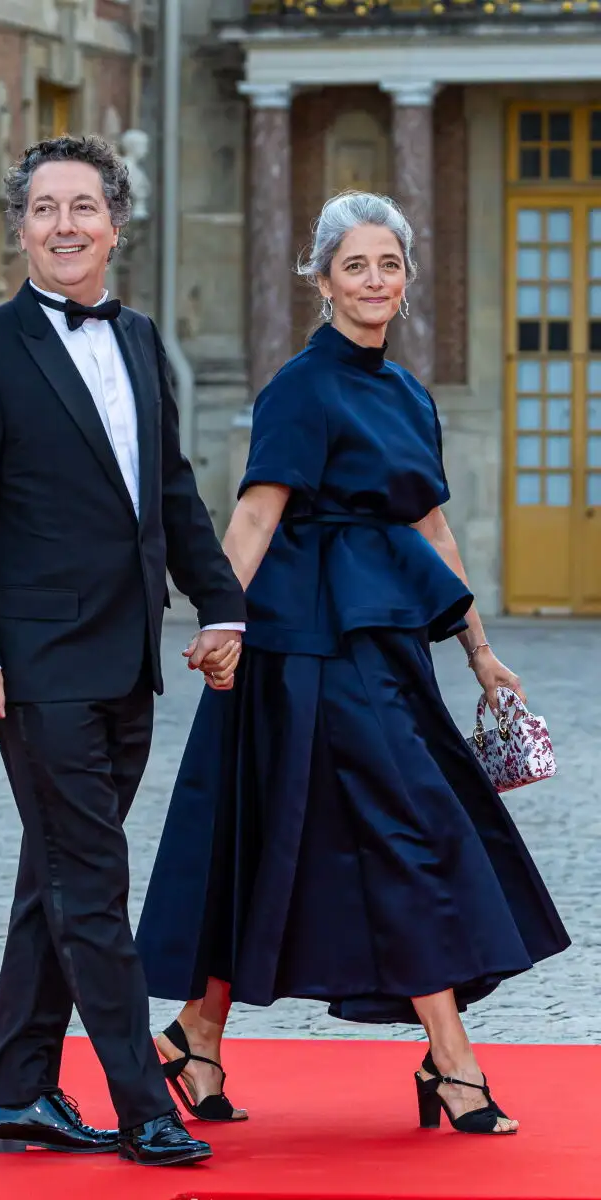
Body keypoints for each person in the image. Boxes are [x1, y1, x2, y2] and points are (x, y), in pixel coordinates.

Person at [136, 191, 571, 1137]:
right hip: (300, 647)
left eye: (389, 265)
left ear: (408, 280)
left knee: (277, 838)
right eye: (355, 267)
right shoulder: (299, 386)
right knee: (410, 830)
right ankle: (454, 1066)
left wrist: (481, 653)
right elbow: (256, 513)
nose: (375, 281)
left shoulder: (411, 395)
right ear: (322, 279)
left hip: (385, 644)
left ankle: (196, 1036)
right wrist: (222, 616)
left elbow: (431, 527)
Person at [0, 133, 246, 1167]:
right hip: (34, 664)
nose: (64, 225)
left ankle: (16, 1095)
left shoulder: (142, 339)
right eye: (44, 209)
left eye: (83, 207)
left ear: (115, 223)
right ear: (18, 228)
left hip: (125, 658)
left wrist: (222, 605)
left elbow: (169, 491)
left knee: (55, 879)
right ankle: (143, 1101)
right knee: (92, 879)